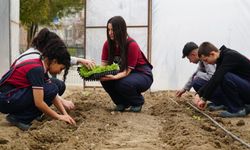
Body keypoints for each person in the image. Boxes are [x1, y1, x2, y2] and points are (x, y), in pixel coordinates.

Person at [0, 29, 76, 130]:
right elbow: (39, 102)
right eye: (61, 68)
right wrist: (58, 117)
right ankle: (19, 118)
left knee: (52, 88)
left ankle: (24, 116)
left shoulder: (41, 65)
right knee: (51, 88)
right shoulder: (37, 69)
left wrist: (65, 115)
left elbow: (53, 96)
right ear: (54, 61)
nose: (59, 72)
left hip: (12, 96)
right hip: (6, 98)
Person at [15, 28, 95, 110]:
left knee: (58, 85)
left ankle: (34, 112)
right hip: (16, 93)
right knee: (52, 88)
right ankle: (22, 116)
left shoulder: (40, 54)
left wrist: (80, 60)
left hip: (23, 90)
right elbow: (43, 87)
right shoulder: (35, 59)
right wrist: (61, 101)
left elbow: (60, 59)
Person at [100, 16, 153, 112]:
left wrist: (114, 77)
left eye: (113, 30)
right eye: (109, 30)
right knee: (105, 80)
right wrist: (97, 74)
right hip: (126, 74)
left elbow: (127, 71)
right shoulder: (107, 44)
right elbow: (103, 66)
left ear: (121, 29)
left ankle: (137, 102)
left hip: (142, 74)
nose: (110, 33)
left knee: (122, 83)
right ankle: (121, 103)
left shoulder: (131, 45)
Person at [195, 41, 250, 117]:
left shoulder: (230, 56)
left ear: (212, 54)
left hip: (247, 87)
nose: (206, 63)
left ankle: (238, 109)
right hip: (245, 87)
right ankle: (227, 104)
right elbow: (214, 78)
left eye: (206, 60)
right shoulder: (222, 58)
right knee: (217, 78)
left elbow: (217, 78)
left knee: (224, 76)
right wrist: (199, 93)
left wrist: (204, 98)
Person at [176, 42, 225, 111]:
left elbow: (213, 76)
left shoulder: (206, 58)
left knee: (197, 82)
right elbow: (195, 73)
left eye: (189, 58)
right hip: (222, 85)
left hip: (224, 85)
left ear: (193, 55)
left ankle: (223, 102)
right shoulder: (202, 60)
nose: (190, 61)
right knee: (196, 79)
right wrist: (184, 88)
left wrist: (198, 75)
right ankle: (219, 102)